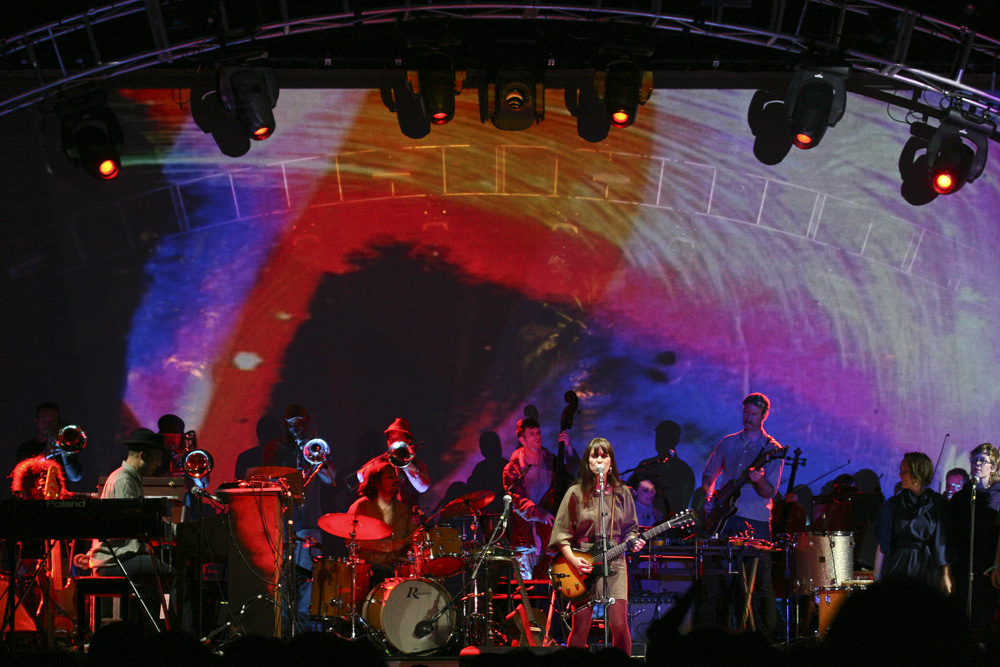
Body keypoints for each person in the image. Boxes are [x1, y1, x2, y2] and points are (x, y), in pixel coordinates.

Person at [549, 437, 645, 654]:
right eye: (595, 456)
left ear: (611, 461)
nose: (600, 460)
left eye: (604, 455)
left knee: (619, 625)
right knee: (581, 626)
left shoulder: (623, 492)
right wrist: (573, 560)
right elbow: (562, 534)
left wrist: (633, 541)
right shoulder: (575, 492)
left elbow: (631, 528)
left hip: (615, 560)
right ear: (588, 462)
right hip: (582, 562)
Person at [700, 392, 784, 635]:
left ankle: (766, 636)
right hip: (726, 520)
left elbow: (769, 492)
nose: (747, 418)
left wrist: (759, 481)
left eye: (753, 414)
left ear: (764, 415)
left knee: (760, 581)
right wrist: (709, 494)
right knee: (726, 580)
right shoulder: (728, 442)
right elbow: (709, 474)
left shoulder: (773, 449)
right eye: (745, 412)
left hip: (756, 520)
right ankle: (726, 632)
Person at [262, 404, 335, 629]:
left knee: (309, 578)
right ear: (286, 424)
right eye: (293, 423)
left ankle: (306, 629)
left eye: (301, 423)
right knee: (282, 577)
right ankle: (281, 625)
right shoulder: (275, 447)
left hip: (310, 522)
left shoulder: (316, 447)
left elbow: (331, 478)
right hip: (282, 522)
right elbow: (267, 479)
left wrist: (316, 458)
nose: (298, 427)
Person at [85, 428, 171, 578]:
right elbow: (132, 524)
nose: (159, 465)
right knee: (176, 574)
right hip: (116, 561)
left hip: (121, 558)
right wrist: (174, 531)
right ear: (142, 455)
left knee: (169, 569)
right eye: (157, 458)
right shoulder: (123, 481)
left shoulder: (130, 479)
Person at [502, 416, 579, 579]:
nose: (537, 437)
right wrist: (540, 514)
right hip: (525, 533)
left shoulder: (550, 460)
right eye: (532, 434)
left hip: (548, 531)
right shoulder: (513, 468)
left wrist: (569, 449)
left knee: (552, 578)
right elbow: (517, 500)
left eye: (538, 433)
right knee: (525, 581)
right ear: (522, 439)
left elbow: (571, 474)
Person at [874, 451, 951, 593]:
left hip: (927, 566)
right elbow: (883, 543)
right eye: (901, 470)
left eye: (906, 471)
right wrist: (877, 576)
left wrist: (946, 574)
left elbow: (942, 543)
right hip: (898, 564)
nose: (900, 475)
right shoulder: (893, 504)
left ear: (919, 472)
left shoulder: (937, 504)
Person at [947, 443, 1000, 637]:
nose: (977, 464)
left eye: (983, 461)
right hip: (962, 566)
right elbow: (950, 536)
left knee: (984, 616)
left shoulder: (998, 498)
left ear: (993, 467)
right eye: (975, 460)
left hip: (988, 567)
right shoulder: (961, 498)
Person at [348, 459, 416, 590]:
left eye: (396, 477)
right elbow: (353, 543)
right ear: (376, 482)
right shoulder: (362, 506)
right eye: (390, 477)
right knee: (383, 573)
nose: (397, 480)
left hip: (398, 568)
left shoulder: (402, 508)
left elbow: (412, 536)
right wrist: (387, 546)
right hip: (371, 569)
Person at [356, 418, 430, 508]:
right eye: (390, 439)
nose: (393, 442)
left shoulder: (417, 464)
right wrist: (378, 466)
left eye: (398, 438)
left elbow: (423, 488)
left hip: (408, 514)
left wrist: (407, 465)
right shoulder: (379, 461)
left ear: (408, 440)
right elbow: (360, 475)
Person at [15, 402, 82, 483]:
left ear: (58, 422)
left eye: (52, 420)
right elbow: (23, 477)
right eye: (44, 420)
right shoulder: (25, 449)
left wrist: (65, 454)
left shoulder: (66, 446)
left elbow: (75, 477)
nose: (48, 424)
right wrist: (44, 456)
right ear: (37, 422)